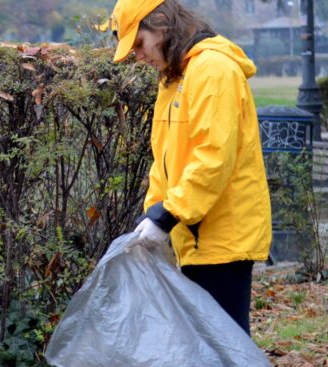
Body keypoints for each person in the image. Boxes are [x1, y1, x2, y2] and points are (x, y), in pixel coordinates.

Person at [111, 0, 272, 335]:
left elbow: (213, 157)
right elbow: (166, 159)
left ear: (161, 25)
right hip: (195, 235)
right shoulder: (174, 79)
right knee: (211, 350)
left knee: (225, 349)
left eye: (139, 43)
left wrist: (167, 214)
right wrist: (154, 213)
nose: (138, 56)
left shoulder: (213, 69)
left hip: (222, 238)